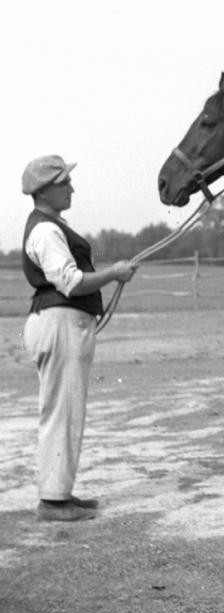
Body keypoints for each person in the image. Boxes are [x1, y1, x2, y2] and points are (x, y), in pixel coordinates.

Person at [21, 154, 138, 522]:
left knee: (64, 409)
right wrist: (114, 273)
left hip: (63, 323)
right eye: (64, 182)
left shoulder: (52, 225)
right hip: (60, 323)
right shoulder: (45, 231)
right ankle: (54, 501)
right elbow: (70, 282)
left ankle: (60, 493)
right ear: (44, 191)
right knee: (63, 411)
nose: (71, 187)